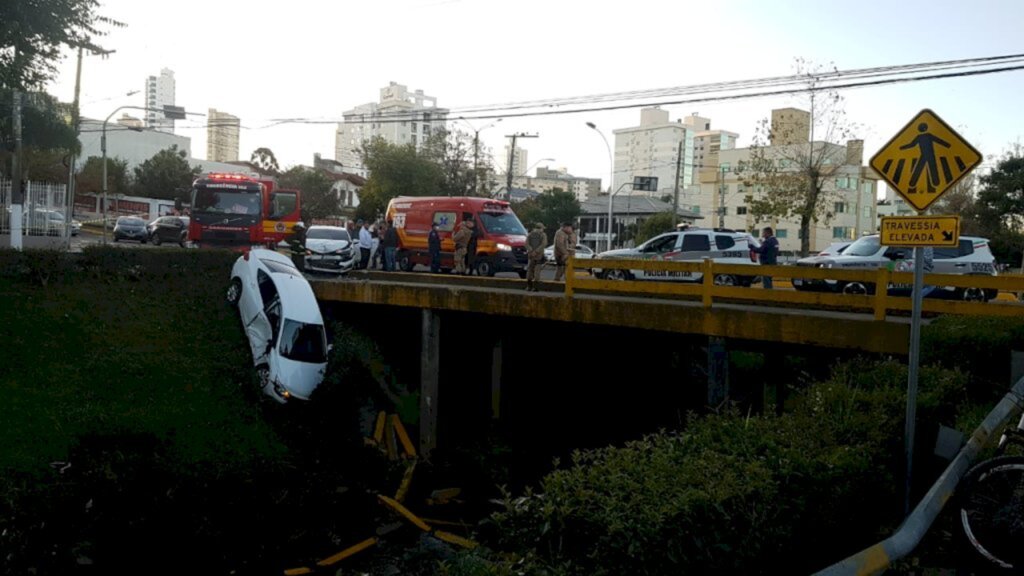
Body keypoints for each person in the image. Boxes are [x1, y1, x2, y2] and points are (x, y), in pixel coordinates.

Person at [525, 222, 548, 292]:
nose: (543, 230)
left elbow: (526, 244)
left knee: (529, 270)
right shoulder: (543, 235)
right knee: (537, 271)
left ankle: (529, 286)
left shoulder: (530, 234)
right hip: (538, 256)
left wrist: (531, 251)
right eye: (542, 228)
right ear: (541, 228)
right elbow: (544, 244)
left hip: (530, 255)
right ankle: (536, 287)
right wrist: (537, 252)